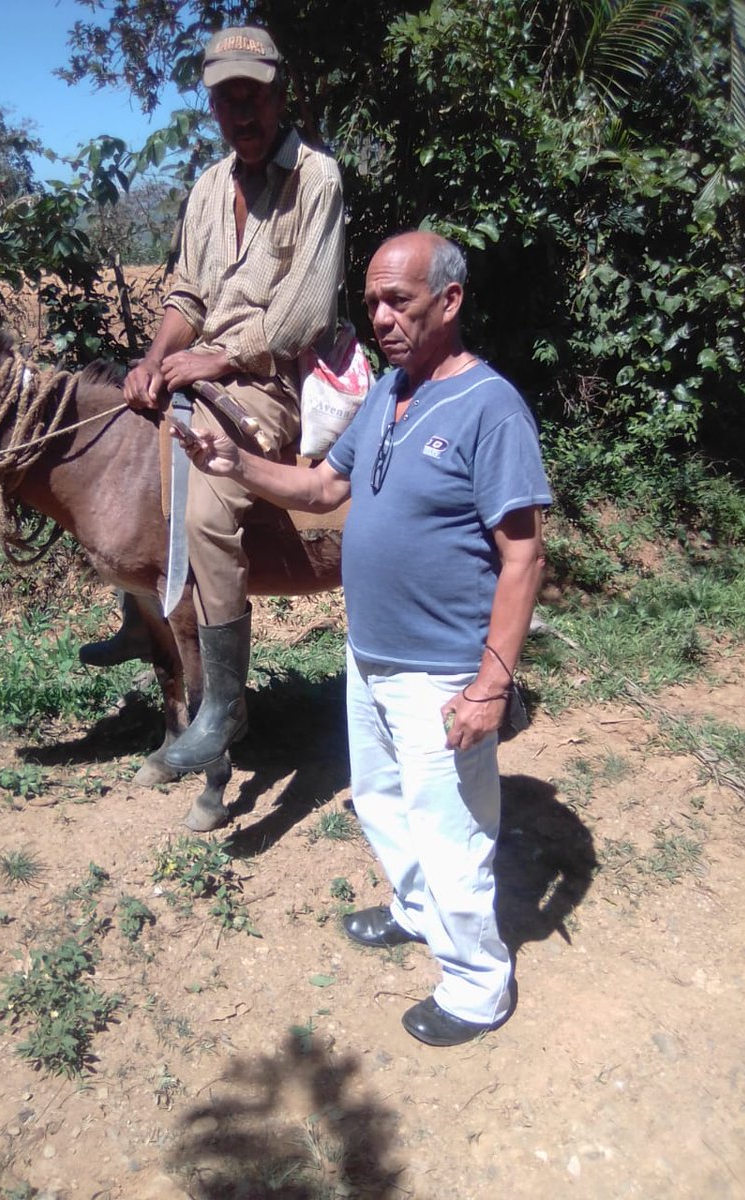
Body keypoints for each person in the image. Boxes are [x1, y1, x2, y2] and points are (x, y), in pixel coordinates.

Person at [177, 230, 552, 1047]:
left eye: (399, 301)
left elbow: (522, 554)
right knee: (382, 802)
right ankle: (416, 914)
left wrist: (491, 683)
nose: (380, 317)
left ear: (449, 302)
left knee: (452, 829)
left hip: (443, 670)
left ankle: (477, 987)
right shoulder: (387, 391)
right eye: (373, 301)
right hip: (370, 655)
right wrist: (232, 461)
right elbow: (320, 487)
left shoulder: (491, 407)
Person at [81, 25, 345, 774]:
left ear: (279, 93)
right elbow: (188, 293)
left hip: (271, 379)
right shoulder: (206, 186)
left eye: (252, 97)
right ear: (212, 109)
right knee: (117, 452)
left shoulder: (315, 179)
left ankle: (224, 705)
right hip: (201, 366)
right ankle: (143, 620)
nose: (241, 114)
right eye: (226, 101)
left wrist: (214, 357)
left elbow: (304, 312)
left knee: (205, 502)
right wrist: (154, 358)